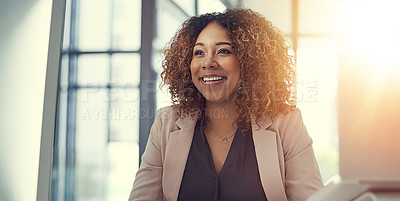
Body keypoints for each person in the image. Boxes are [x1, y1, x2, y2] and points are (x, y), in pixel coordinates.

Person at [129, 9, 323, 201]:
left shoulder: (286, 123)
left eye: (223, 51)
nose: (208, 63)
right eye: (199, 52)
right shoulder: (166, 123)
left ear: (250, 61)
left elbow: (310, 197)